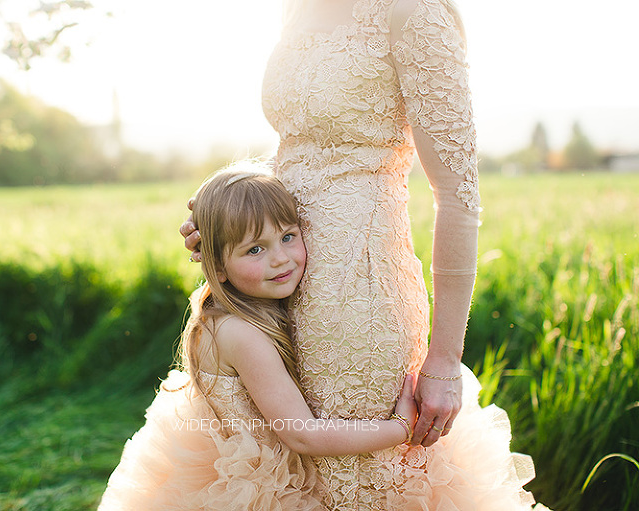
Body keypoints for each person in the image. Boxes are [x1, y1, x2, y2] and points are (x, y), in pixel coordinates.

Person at [181, 0, 550, 508]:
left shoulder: (414, 12)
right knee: (285, 472)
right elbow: (304, 145)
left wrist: (443, 361)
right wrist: (227, 211)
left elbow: (459, 197)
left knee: (361, 481)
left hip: (359, 290)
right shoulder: (294, 7)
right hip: (277, 279)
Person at [98, 163, 421, 510]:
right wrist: (400, 429)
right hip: (254, 490)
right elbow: (302, 434)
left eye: (287, 237)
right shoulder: (240, 333)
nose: (280, 259)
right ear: (217, 267)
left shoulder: (238, 312)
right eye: (255, 249)